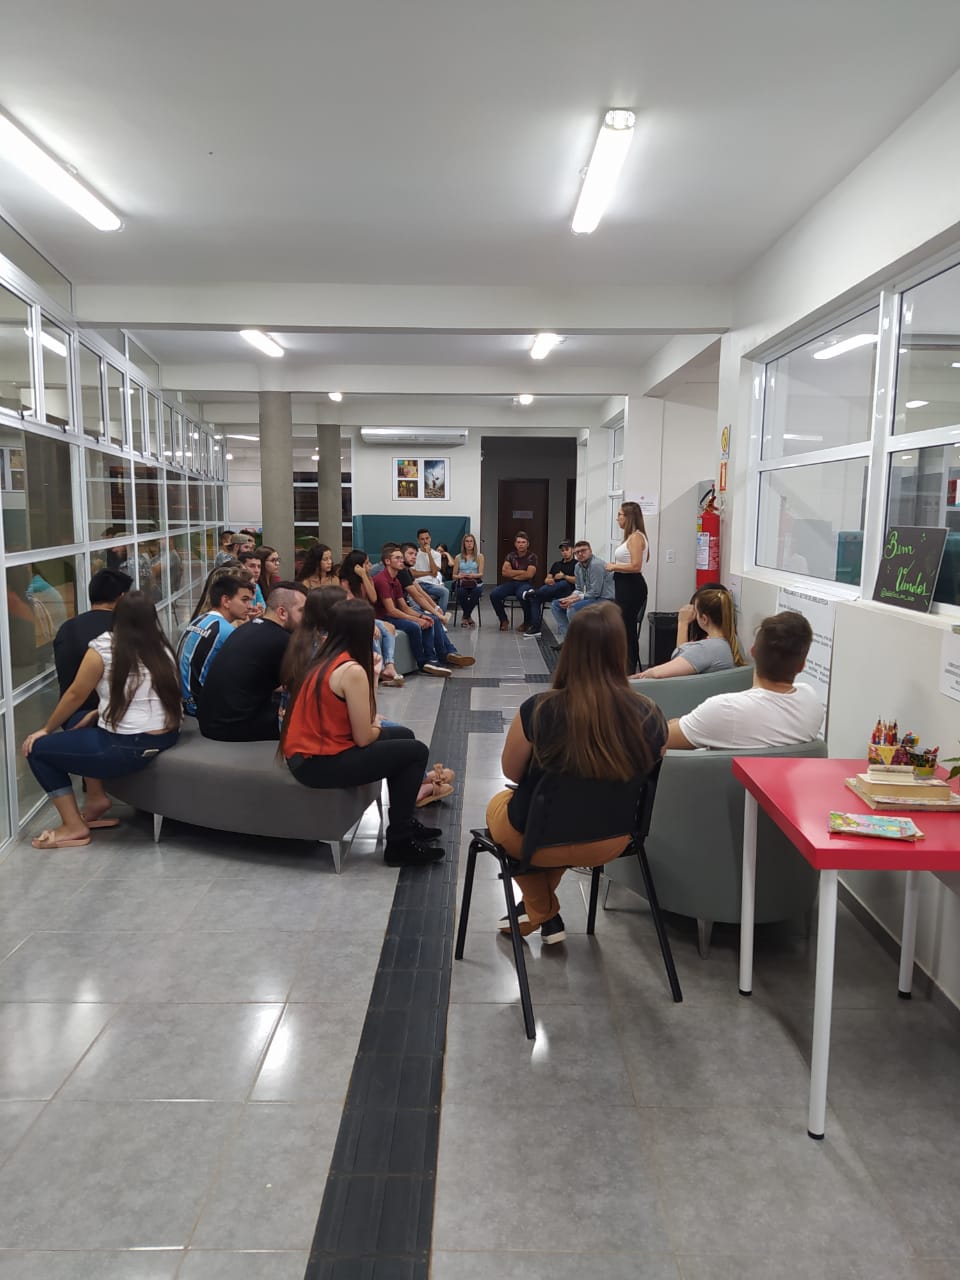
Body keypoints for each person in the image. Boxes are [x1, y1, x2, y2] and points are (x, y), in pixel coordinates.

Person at [486, 602, 667, 941]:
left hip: (539, 838)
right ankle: (540, 913)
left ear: (570, 649)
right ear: (620, 650)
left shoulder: (540, 709)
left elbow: (511, 772)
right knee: (560, 819)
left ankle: (541, 908)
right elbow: (652, 763)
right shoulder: (650, 714)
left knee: (501, 807)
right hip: (613, 840)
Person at [281, 597, 445, 867]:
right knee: (416, 752)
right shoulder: (351, 670)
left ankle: (404, 822)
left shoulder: (326, 657)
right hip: (317, 763)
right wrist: (374, 681)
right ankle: (399, 843)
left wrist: (374, 697)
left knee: (403, 735)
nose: (376, 630)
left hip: (307, 754)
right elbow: (365, 735)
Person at [21, 591, 182, 849]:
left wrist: (45, 729)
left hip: (126, 746)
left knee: (36, 750)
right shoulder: (163, 647)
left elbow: (75, 694)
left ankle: (73, 826)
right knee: (82, 719)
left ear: (116, 617)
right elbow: (149, 695)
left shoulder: (104, 647)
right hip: (166, 737)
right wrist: (98, 712)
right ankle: (96, 799)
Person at [665, 611, 822, 750]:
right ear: (802, 666)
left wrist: (679, 723)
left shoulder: (725, 709)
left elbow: (659, 739)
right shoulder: (811, 702)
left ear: (753, 651)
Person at [197, 581, 307, 740]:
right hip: (231, 726)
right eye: (302, 611)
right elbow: (301, 686)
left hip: (212, 719)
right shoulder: (281, 640)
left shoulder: (249, 627)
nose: (307, 618)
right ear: (282, 612)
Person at [53, 569, 133, 723]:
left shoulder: (67, 628)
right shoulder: (127, 628)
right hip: (118, 717)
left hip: (73, 716)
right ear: (122, 597)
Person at [177, 575, 254, 714]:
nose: (250, 606)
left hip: (183, 701)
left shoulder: (199, 620)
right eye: (245, 600)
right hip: (201, 709)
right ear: (226, 601)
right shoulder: (226, 631)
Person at [372, 547, 455, 677]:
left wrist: (422, 616)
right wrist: (417, 619)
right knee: (414, 626)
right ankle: (422, 663)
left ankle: (431, 659)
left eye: (401, 558)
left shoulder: (396, 580)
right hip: (383, 617)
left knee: (428, 621)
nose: (401, 560)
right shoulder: (381, 580)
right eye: (397, 558)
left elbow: (404, 607)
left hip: (394, 614)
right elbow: (391, 611)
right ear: (387, 561)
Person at [635, 585, 745, 680]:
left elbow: (662, 672)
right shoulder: (735, 642)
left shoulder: (704, 650)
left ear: (704, 619)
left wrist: (682, 623)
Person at [397, 544, 474, 668]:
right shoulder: (401, 572)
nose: (414, 557)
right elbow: (417, 597)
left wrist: (436, 607)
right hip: (403, 608)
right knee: (433, 619)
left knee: (435, 618)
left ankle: (449, 653)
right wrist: (437, 614)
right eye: (410, 554)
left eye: (415, 554)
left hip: (407, 606)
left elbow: (421, 592)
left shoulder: (407, 571)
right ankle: (438, 656)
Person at [340, 549, 404, 686]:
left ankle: (389, 665)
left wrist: (364, 576)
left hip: (367, 616)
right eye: (366, 563)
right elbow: (354, 607)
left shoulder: (368, 579)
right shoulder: (345, 582)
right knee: (372, 631)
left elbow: (373, 598)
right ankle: (379, 668)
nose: (370, 566)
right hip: (353, 618)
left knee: (390, 628)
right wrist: (371, 623)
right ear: (357, 566)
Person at [605, 501, 649, 675]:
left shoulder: (636, 537)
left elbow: (636, 566)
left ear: (629, 517)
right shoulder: (630, 537)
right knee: (623, 627)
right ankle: (623, 666)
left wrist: (614, 566)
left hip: (631, 587)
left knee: (628, 628)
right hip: (624, 585)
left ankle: (629, 670)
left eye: (620, 515)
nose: (617, 518)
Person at [550, 540, 614, 640]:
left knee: (572, 608)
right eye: (577, 552)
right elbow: (579, 589)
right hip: (592, 597)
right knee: (556, 605)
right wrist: (568, 599)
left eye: (583, 550)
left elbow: (595, 592)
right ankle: (569, 640)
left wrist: (573, 600)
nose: (580, 554)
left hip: (605, 599)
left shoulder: (596, 565)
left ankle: (579, 642)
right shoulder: (578, 566)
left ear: (590, 551)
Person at [521, 540, 576, 638]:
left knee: (563, 583)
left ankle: (534, 592)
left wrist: (564, 576)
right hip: (552, 590)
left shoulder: (577, 564)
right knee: (535, 598)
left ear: (572, 550)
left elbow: (577, 580)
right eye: (562, 550)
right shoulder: (557, 564)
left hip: (568, 592)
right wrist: (548, 581)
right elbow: (547, 578)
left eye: (567, 549)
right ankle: (535, 628)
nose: (564, 552)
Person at [490, 531, 538, 631]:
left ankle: (527, 622)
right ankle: (503, 620)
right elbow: (504, 572)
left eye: (523, 542)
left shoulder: (532, 557)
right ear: (515, 544)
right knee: (494, 594)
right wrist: (522, 572)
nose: (521, 544)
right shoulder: (510, 556)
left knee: (523, 595)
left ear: (528, 544)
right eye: (519, 542)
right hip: (512, 583)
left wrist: (513, 573)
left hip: (526, 584)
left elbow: (529, 574)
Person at [411, 528, 450, 613]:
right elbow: (413, 574)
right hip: (418, 584)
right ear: (418, 541)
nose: (425, 541)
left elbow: (435, 572)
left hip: (431, 584)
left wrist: (429, 553)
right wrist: (429, 573)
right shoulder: (414, 554)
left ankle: (440, 617)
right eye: (422, 539)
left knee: (445, 592)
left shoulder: (436, 554)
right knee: (413, 596)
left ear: (430, 539)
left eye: (427, 538)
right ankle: (421, 617)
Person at [452, 532, 485, 627]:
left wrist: (473, 575)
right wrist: (460, 576)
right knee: (461, 592)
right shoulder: (458, 557)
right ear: (464, 543)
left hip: (474, 581)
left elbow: (481, 574)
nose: (469, 543)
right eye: (467, 541)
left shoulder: (480, 556)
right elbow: (453, 575)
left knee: (477, 592)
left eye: (471, 541)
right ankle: (468, 617)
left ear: (474, 543)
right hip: (461, 581)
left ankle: (465, 616)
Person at [238, 550, 267, 615]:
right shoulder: (235, 586)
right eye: (252, 566)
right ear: (242, 567)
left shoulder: (256, 586)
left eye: (259, 567)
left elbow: (264, 609)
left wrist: (260, 610)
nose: (257, 570)